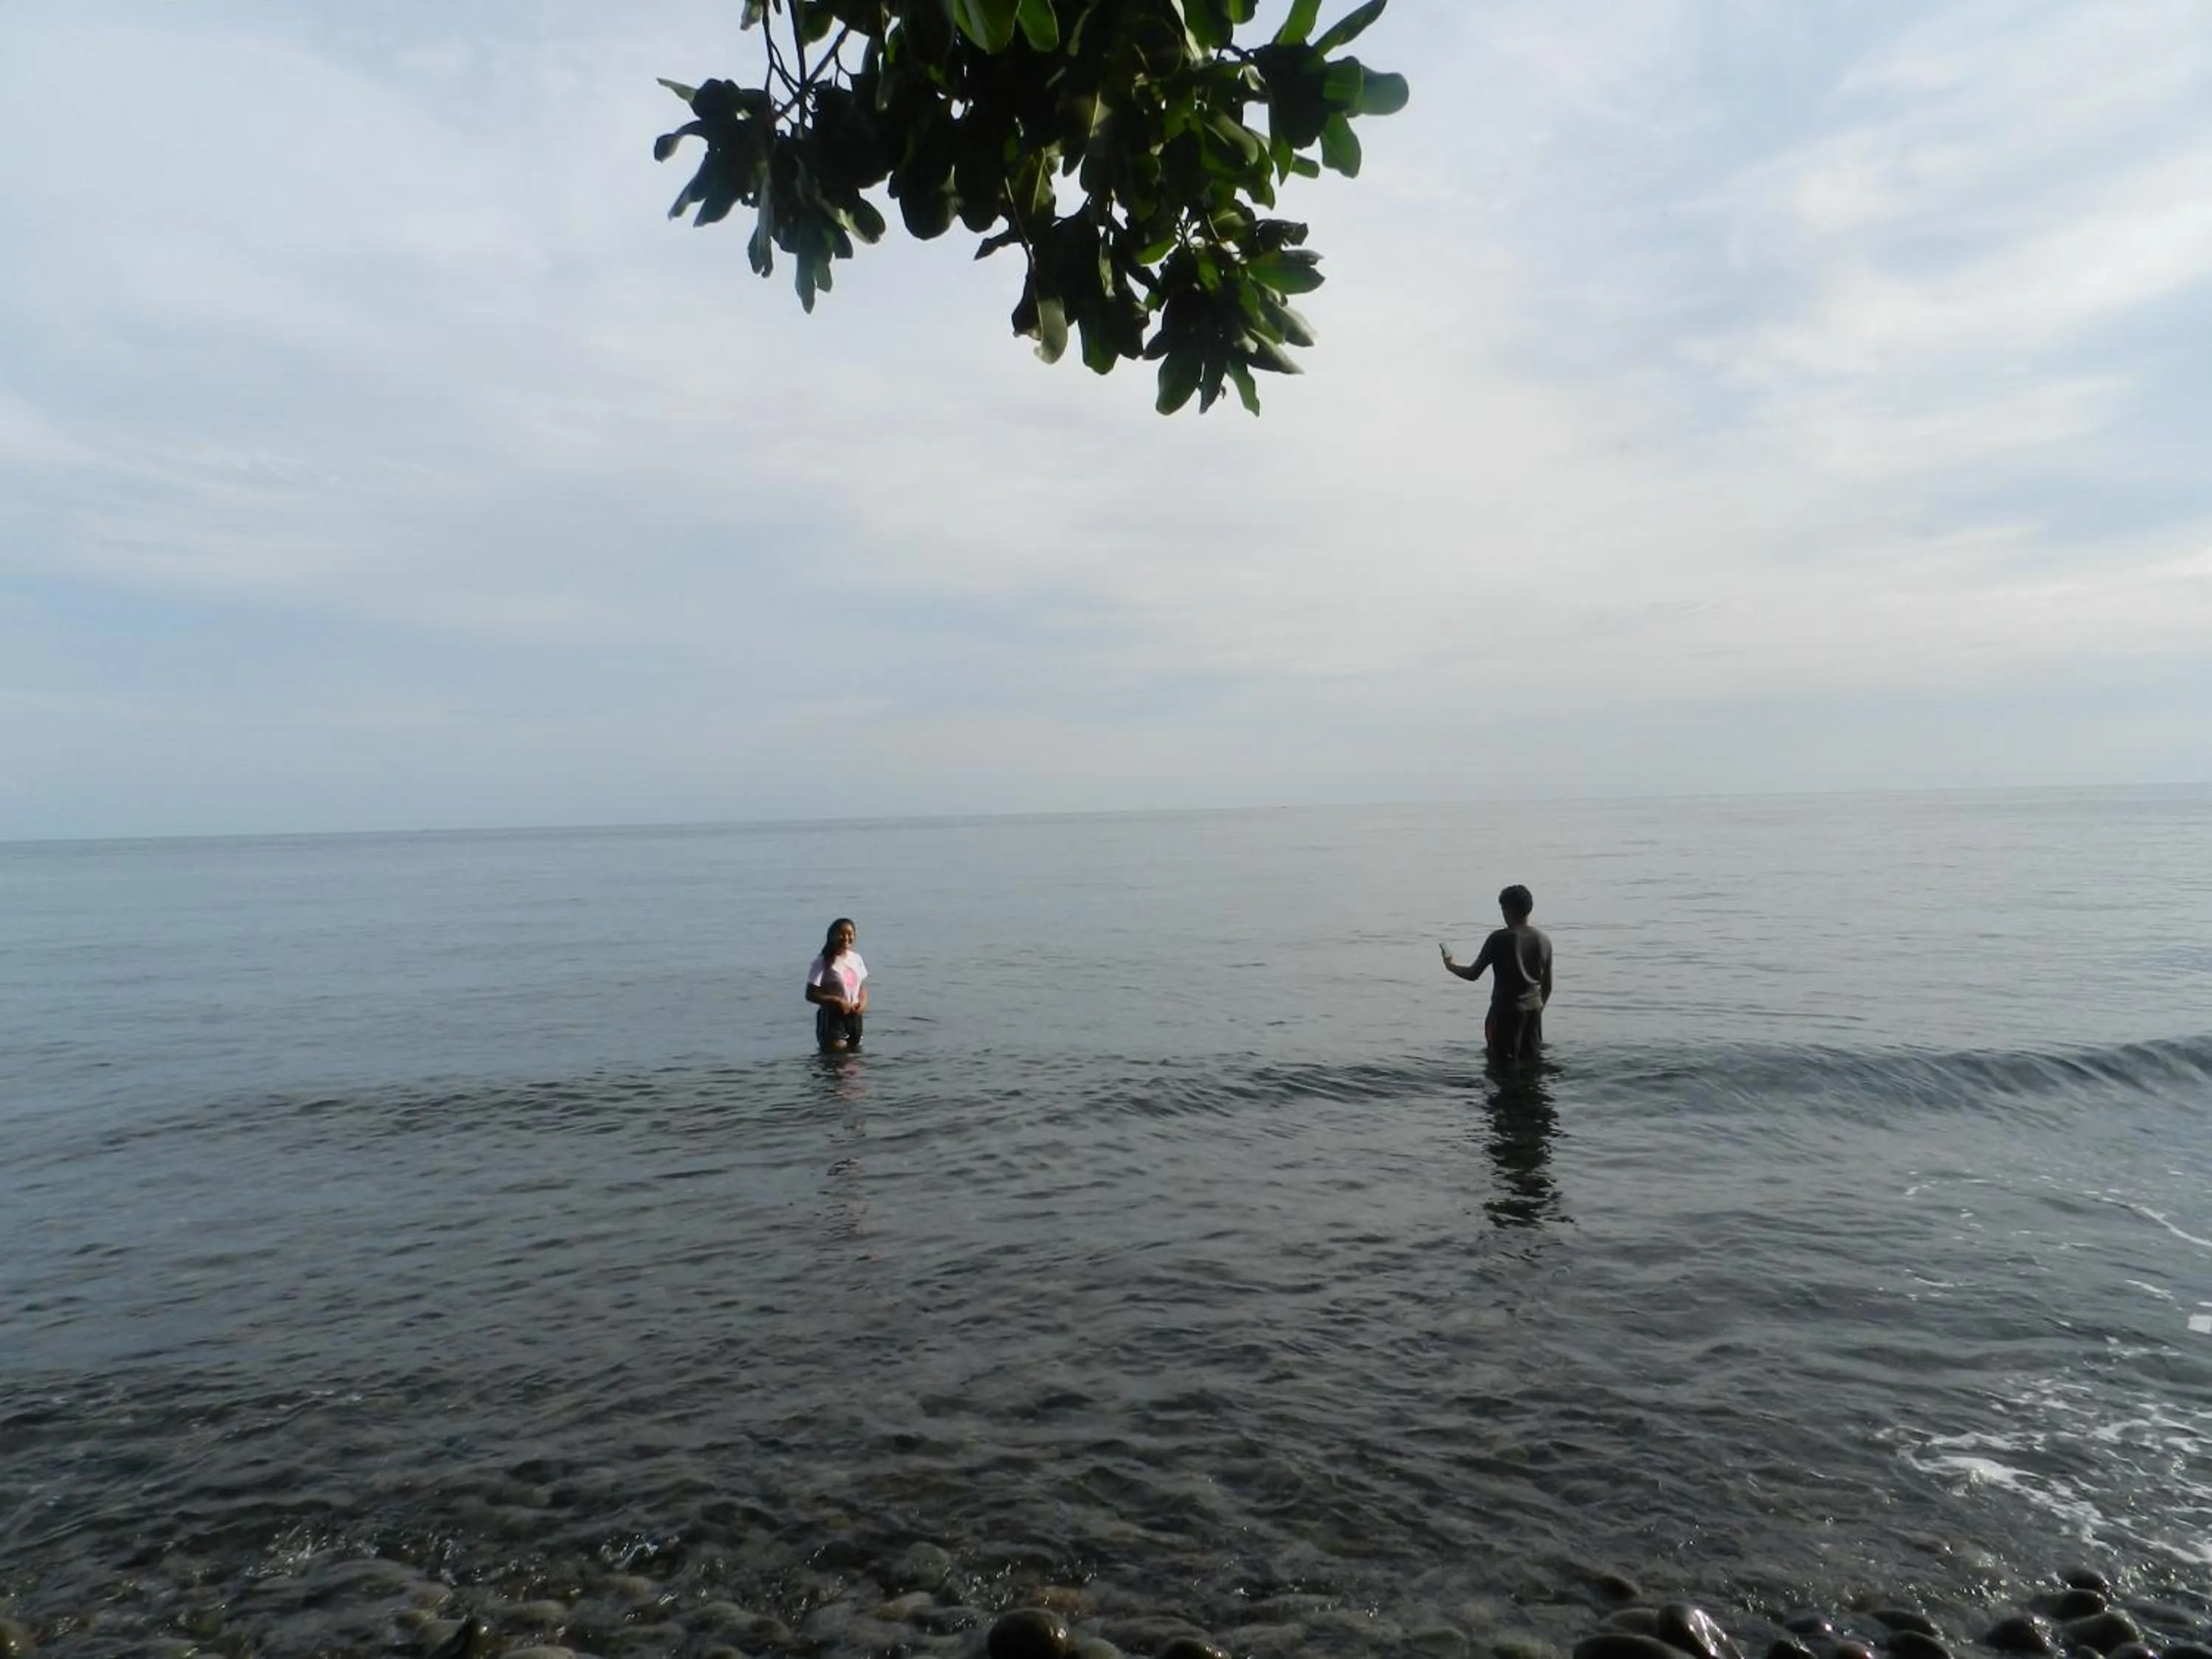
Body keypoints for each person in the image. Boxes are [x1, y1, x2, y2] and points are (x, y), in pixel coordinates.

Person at [1441, 884, 1553, 1065]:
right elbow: (1547, 986)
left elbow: (1473, 974)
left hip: (1506, 1013)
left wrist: (1451, 966)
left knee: (1500, 1065)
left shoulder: (1500, 938)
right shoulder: (1544, 940)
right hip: (1533, 1012)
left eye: (1503, 909)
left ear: (1508, 909)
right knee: (1531, 1064)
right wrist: (1538, 1009)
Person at [806, 917, 869, 1052]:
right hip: (832, 1018)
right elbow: (810, 994)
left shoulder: (856, 959)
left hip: (854, 1016)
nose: (846, 938)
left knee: (855, 1061)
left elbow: (861, 987)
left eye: (850, 934)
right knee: (836, 1062)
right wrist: (838, 1001)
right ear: (832, 936)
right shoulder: (822, 962)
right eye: (841, 934)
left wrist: (863, 1002)